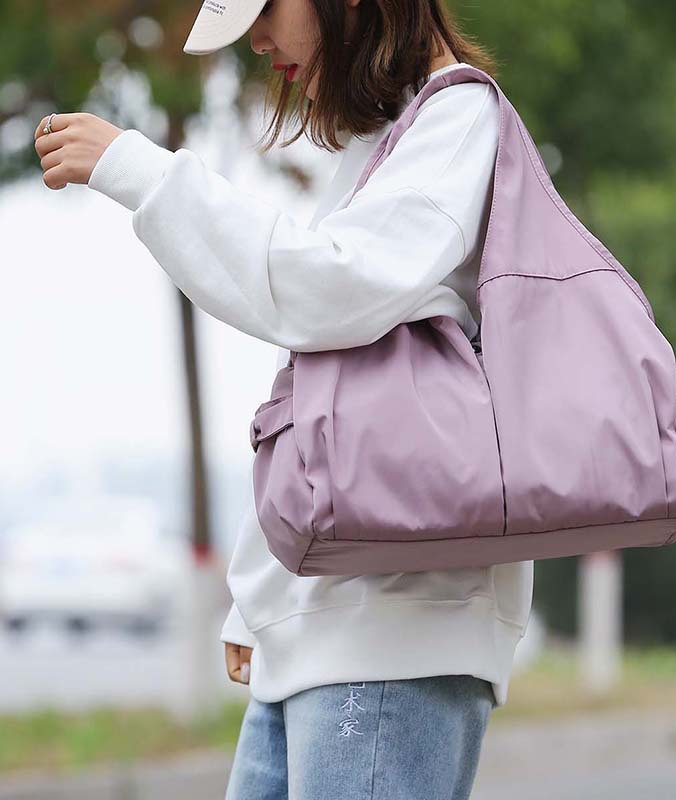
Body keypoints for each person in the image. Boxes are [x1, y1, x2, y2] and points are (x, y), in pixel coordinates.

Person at [34, 2, 535, 797]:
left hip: (393, 636)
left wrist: (141, 170)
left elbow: (329, 291)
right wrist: (263, 598)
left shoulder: (457, 119)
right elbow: (322, 392)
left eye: (266, 8)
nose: (258, 41)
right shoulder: (397, 137)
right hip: (335, 626)